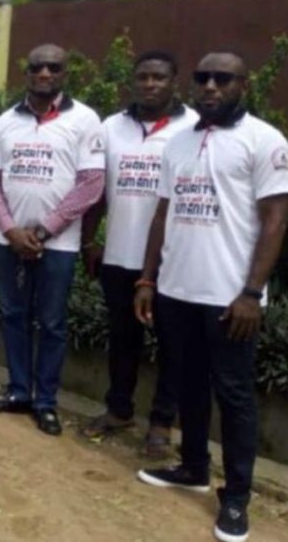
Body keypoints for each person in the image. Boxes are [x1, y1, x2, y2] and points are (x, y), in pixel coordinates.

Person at [135, 51, 288, 542]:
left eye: (221, 78)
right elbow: (163, 215)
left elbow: (276, 218)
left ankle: (238, 496)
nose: (210, 86)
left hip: (230, 299)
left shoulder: (263, 141)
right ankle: (194, 468)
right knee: (188, 383)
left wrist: (251, 292)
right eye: (202, 77)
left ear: (242, 84)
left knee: (235, 394)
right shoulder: (179, 143)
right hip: (177, 290)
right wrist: (147, 279)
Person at [0, 44, 105, 436]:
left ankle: (46, 401)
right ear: (27, 72)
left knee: (50, 323)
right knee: (14, 316)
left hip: (58, 246)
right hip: (10, 241)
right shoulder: (5, 122)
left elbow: (91, 184)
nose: (45, 73)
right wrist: (11, 230)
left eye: (54, 67)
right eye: (37, 67)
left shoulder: (85, 120)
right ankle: (19, 392)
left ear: (65, 73)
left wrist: (44, 229)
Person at [79, 51, 197, 457]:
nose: (150, 84)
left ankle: (162, 423)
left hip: (172, 261)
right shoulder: (113, 127)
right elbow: (97, 191)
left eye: (159, 77)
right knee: (122, 339)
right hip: (118, 256)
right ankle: (118, 410)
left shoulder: (193, 127)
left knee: (171, 345)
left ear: (174, 81)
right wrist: (89, 240)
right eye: (143, 77)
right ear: (133, 81)